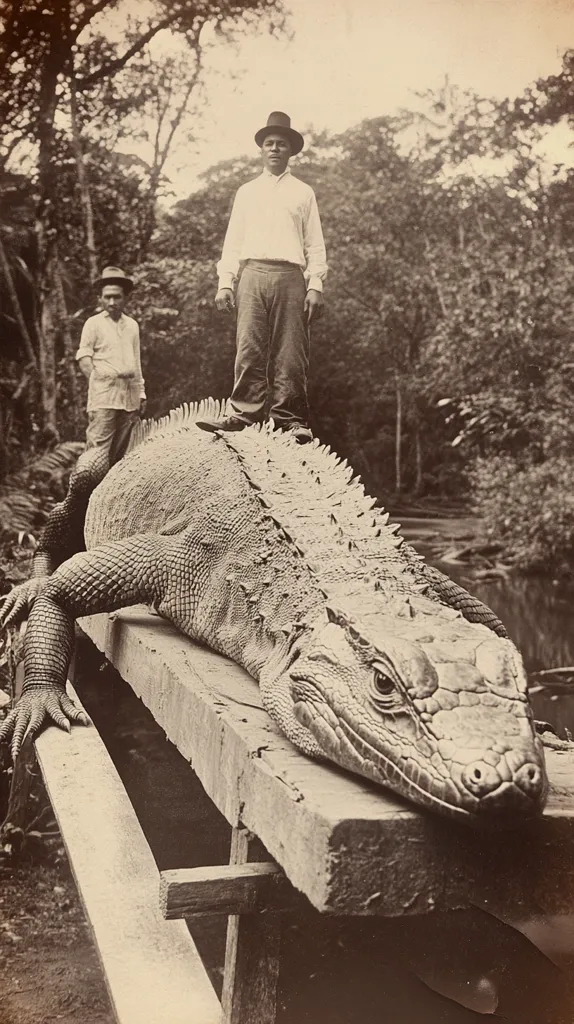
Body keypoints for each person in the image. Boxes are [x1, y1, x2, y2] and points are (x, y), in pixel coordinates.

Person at [197, 111, 327, 444]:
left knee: (291, 351)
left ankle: (290, 418)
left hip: (290, 276)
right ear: (261, 149)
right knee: (249, 346)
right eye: (269, 143)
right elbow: (233, 241)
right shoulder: (247, 192)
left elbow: (315, 243)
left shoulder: (303, 192)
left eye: (281, 144)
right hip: (252, 273)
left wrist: (315, 285)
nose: (274, 149)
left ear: (290, 151)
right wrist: (225, 281)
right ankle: (243, 413)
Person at [76, 266, 146, 463]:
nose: (112, 302)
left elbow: (136, 361)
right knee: (96, 455)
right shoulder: (93, 323)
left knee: (126, 453)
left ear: (126, 298)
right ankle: (87, 494)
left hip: (129, 396)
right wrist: (97, 382)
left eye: (117, 297)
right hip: (104, 397)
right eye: (107, 297)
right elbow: (84, 357)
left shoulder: (132, 325)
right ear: (100, 298)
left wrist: (141, 393)